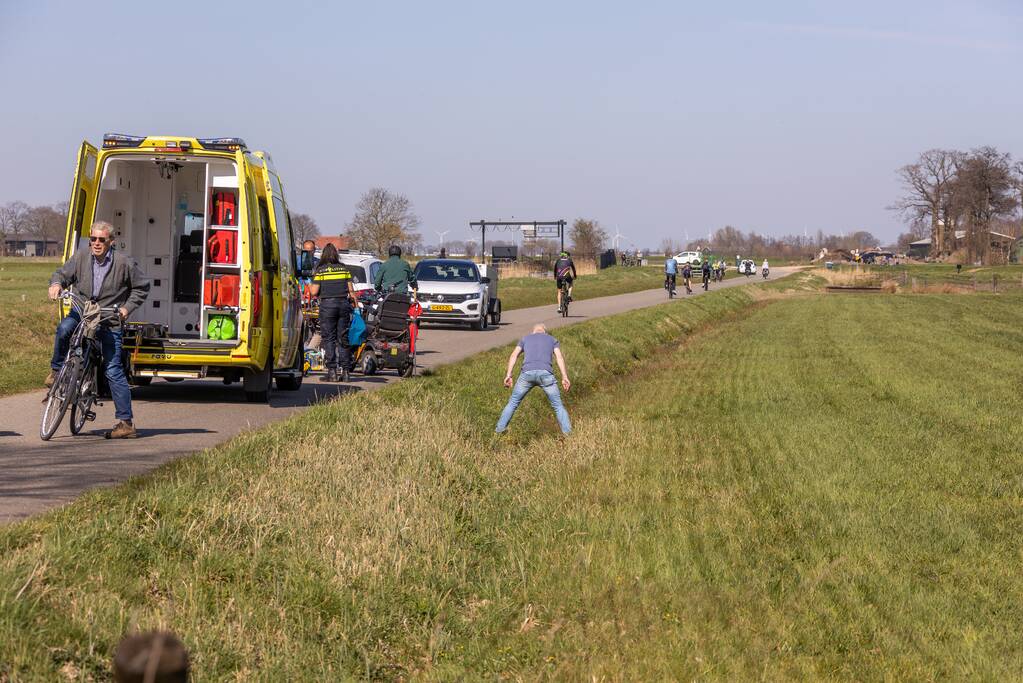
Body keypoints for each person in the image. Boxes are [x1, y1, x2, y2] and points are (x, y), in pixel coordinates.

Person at [48, 221, 150, 439]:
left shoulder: (124, 263)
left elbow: (142, 287)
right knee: (64, 328)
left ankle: (125, 422)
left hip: (109, 318)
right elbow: (62, 274)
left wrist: (126, 308)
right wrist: (56, 284)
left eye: (101, 240)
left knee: (113, 369)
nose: (96, 243)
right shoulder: (81, 257)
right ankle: (56, 372)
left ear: (111, 242)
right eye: (93, 238)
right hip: (83, 312)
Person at [495, 323, 571, 434]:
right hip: (546, 374)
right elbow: (559, 357)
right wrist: (564, 376)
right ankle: (568, 434)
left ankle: (499, 431)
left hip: (527, 374)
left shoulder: (525, 339)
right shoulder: (552, 339)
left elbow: (514, 355)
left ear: (533, 331)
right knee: (558, 405)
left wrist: (508, 374)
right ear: (545, 332)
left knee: (513, 403)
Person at [310, 243, 356, 382]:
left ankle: (332, 372)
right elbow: (351, 291)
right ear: (336, 255)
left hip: (327, 306)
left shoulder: (321, 270)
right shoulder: (344, 269)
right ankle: (346, 372)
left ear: (323, 255)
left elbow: (314, 292)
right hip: (343, 305)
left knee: (329, 339)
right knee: (343, 338)